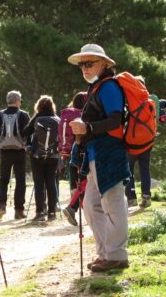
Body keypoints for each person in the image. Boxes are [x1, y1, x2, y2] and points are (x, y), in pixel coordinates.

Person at [67, 44, 130, 273]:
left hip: (109, 154)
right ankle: (106, 254)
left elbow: (115, 121)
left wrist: (88, 127)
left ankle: (117, 255)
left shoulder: (109, 87)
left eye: (89, 63)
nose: (84, 68)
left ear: (104, 64)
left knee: (112, 205)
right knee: (92, 205)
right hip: (96, 155)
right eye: (82, 64)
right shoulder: (97, 87)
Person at [0, 90, 30, 219]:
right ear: (17, 101)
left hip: (5, 151)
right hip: (19, 151)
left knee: (4, 180)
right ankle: (19, 210)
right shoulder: (23, 115)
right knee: (20, 181)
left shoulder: (0, 114)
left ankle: (1, 206)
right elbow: (29, 133)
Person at [23, 95, 61, 222]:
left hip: (37, 155)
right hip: (53, 155)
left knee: (39, 183)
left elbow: (25, 132)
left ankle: (40, 212)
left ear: (38, 106)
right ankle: (52, 212)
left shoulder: (37, 118)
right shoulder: (57, 119)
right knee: (51, 182)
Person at [124, 76, 154, 209]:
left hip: (131, 142)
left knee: (128, 170)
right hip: (147, 141)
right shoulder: (150, 101)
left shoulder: (128, 102)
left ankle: (131, 198)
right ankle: (146, 197)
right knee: (145, 169)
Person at [59, 92, 88, 226]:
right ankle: (73, 208)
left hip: (68, 153)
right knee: (85, 181)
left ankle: (75, 208)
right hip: (82, 152)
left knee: (80, 182)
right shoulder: (84, 115)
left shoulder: (66, 115)